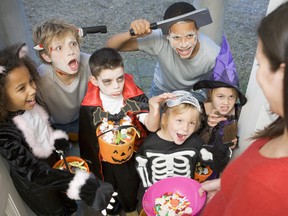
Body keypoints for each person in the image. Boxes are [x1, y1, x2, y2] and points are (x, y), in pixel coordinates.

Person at [0, 43, 116, 216]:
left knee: (68, 202)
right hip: (39, 188)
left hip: (54, 165)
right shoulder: (5, 134)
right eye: (21, 88)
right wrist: (79, 184)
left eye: (31, 81)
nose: (32, 90)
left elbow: (43, 125)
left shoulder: (28, 105)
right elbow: (34, 172)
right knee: (57, 211)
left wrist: (57, 138)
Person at [198, 2, 288, 215]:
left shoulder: (267, 187)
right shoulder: (279, 130)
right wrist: (229, 185)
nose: (257, 75)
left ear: (281, 74)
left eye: (259, 64)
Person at [78, 47, 174, 215]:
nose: (116, 86)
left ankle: (130, 209)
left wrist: (153, 109)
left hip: (130, 156)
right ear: (94, 81)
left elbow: (150, 127)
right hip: (105, 160)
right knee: (107, 186)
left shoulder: (132, 98)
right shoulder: (90, 107)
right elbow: (87, 139)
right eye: (107, 81)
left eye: (120, 79)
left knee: (129, 188)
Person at [135, 90, 232, 211]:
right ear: (165, 119)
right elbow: (141, 165)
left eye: (192, 123)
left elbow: (217, 164)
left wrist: (220, 150)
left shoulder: (195, 143)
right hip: (155, 199)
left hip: (185, 199)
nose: (185, 128)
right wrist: (148, 188)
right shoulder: (149, 144)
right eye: (179, 120)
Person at [106, 1, 220, 101]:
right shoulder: (159, 40)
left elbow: (221, 84)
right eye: (176, 37)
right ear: (167, 35)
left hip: (193, 91)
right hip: (162, 87)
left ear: (198, 31)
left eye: (189, 36)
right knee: (154, 121)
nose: (184, 44)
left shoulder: (212, 54)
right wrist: (132, 34)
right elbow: (110, 47)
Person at [193, 36, 247, 178]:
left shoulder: (238, 112)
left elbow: (237, 138)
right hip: (200, 159)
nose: (226, 103)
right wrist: (208, 126)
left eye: (231, 97)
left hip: (221, 164)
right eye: (220, 96)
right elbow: (193, 139)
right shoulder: (202, 109)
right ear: (211, 95)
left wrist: (235, 142)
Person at [32, 19, 91, 139]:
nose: (70, 52)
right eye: (59, 48)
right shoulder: (41, 79)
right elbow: (41, 115)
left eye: (73, 44)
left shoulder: (90, 64)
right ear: (47, 56)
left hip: (85, 117)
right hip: (57, 125)